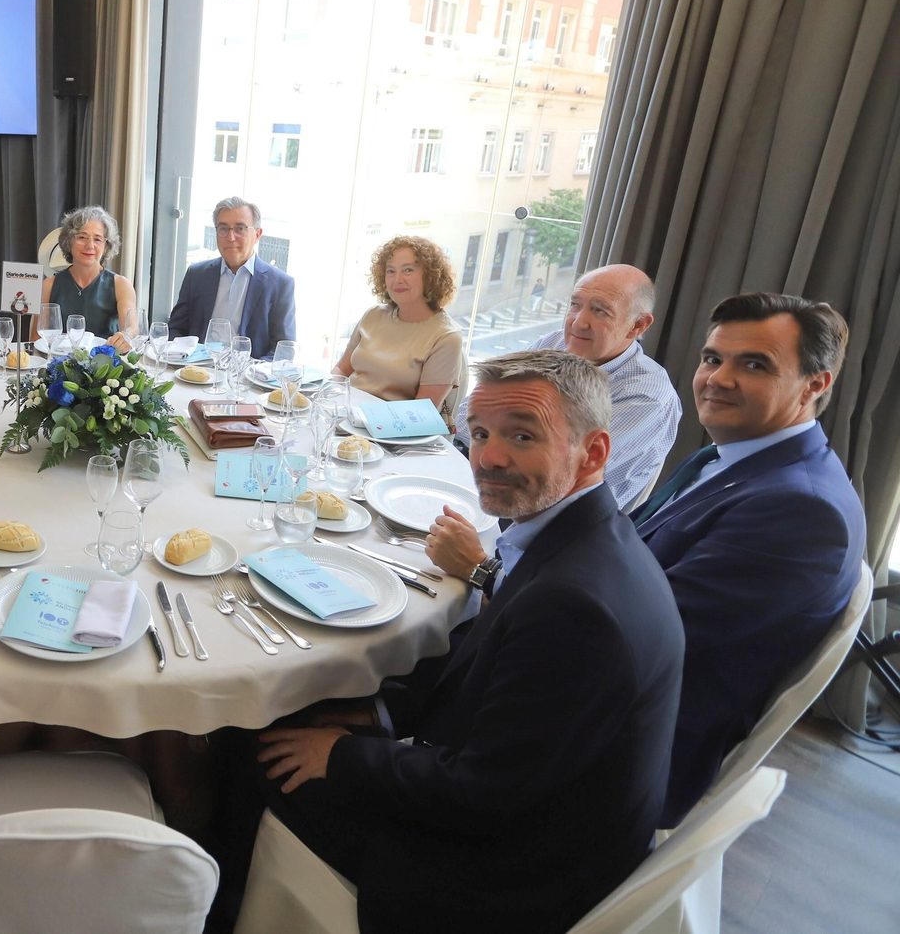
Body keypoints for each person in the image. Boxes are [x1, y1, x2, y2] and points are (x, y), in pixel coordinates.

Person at [248, 350, 683, 933]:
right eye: (479, 433)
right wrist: (376, 709)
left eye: (522, 436)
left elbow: (478, 795)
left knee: (254, 752)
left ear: (595, 452)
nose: (489, 458)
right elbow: (490, 683)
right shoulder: (585, 539)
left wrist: (343, 754)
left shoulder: (577, 608)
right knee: (314, 710)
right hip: (533, 800)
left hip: (503, 878)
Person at [631, 292, 865, 827]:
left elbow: (639, 636)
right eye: (713, 358)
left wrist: (493, 582)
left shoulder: (801, 510)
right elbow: (630, 547)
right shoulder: (729, 455)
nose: (717, 378)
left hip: (622, 742)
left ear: (815, 384)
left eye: (754, 364)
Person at [448, 264, 681, 507]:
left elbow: (565, 475)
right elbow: (471, 414)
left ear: (638, 325)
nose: (579, 323)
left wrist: (489, 435)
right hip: (484, 476)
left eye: (600, 311)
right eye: (575, 305)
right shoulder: (553, 343)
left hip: (551, 517)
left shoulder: (646, 397)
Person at [333, 236, 467, 426]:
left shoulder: (446, 336)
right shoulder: (373, 315)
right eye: (391, 271)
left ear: (430, 276)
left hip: (394, 432)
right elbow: (341, 369)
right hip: (347, 417)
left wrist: (362, 418)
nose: (397, 280)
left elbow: (421, 414)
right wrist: (327, 396)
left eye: (408, 270)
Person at [167, 197, 295, 360]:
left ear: (257, 234)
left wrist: (252, 374)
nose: (230, 237)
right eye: (223, 228)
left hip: (246, 377)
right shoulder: (197, 274)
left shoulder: (280, 284)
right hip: (196, 371)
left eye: (240, 228)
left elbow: (284, 349)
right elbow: (176, 330)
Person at [40, 205, 138, 344]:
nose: (90, 245)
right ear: (69, 242)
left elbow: (132, 327)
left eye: (98, 239)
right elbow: (36, 338)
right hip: (60, 362)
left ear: (106, 246)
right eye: (82, 237)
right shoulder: (49, 285)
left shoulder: (121, 285)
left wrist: (126, 336)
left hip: (106, 363)